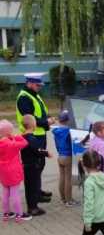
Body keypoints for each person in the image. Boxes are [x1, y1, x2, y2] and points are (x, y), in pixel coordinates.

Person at [16, 73, 55, 202]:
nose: (40, 87)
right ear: (30, 83)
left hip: (39, 134)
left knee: (40, 164)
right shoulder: (24, 97)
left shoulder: (34, 94)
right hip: (31, 136)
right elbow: (30, 118)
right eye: (38, 85)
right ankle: (34, 196)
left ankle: (37, 191)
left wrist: (48, 117)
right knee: (34, 167)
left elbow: (41, 111)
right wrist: (46, 122)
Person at [0, 119, 32, 222]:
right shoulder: (11, 144)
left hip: (2, 171)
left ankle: (6, 213)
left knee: (5, 192)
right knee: (15, 193)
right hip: (13, 171)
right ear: (8, 131)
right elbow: (24, 142)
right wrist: (16, 136)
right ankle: (19, 214)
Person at [21, 115, 51, 217]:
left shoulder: (22, 137)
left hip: (26, 165)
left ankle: (30, 206)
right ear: (33, 125)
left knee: (28, 187)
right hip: (34, 166)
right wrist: (47, 153)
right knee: (34, 186)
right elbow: (38, 150)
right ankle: (33, 208)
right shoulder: (32, 138)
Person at [52, 110, 79, 206]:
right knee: (68, 179)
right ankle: (69, 201)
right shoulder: (69, 132)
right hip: (68, 157)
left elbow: (56, 145)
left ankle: (63, 199)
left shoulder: (56, 131)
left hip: (60, 156)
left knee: (62, 177)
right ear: (68, 120)